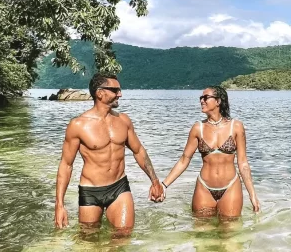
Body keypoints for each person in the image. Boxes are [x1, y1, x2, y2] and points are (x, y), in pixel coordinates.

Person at [54, 73, 164, 235]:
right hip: (90, 191)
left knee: (123, 235)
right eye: (115, 90)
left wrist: (155, 181)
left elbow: (138, 151)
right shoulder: (78, 125)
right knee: (89, 243)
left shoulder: (123, 121)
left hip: (119, 187)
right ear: (100, 93)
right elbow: (66, 165)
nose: (120, 94)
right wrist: (60, 205)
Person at [160, 85, 260, 217]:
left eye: (206, 97)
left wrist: (252, 195)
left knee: (230, 234)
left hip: (231, 186)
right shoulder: (198, 128)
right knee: (201, 233)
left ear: (218, 101)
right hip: (204, 187)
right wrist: (164, 185)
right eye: (201, 98)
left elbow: (243, 163)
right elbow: (184, 160)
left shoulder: (236, 126)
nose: (202, 100)